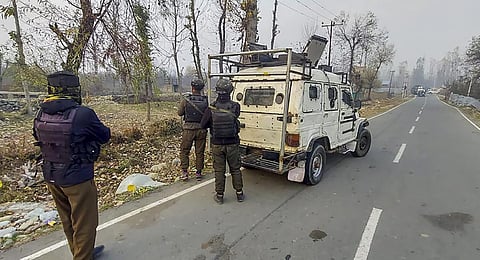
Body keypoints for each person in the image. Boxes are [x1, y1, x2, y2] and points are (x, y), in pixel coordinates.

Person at [33, 71, 110, 260]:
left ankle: (80, 252)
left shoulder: (40, 113)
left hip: (51, 175)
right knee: (85, 223)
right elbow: (104, 135)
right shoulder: (83, 114)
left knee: (67, 220)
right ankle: (83, 256)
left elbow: (37, 137)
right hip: (77, 178)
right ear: (74, 90)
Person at [200, 78, 244, 204]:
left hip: (217, 144)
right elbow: (235, 117)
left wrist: (212, 124)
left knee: (219, 170)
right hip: (233, 143)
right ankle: (239, 194)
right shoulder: (236, 106)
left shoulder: (211, 108)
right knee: (235, 169)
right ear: (230, 91)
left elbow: (203, 124)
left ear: (217, 92)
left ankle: (219, 196)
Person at [177, 79, 209, 181]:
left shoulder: (186, 100)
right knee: (200, 152)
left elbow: (180, 113)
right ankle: (199, 173)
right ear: (201, 89)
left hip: (188, 130)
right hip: (201, 129)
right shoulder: (205, 100)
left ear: (192, 88)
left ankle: (185, 172)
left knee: (184, 150)